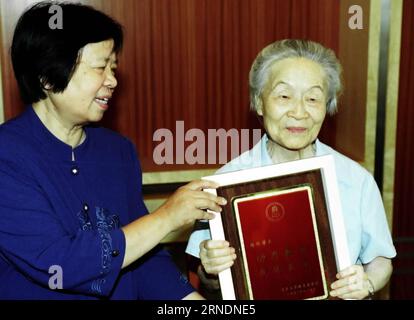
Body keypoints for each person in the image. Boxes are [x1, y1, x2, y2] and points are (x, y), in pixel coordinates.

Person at [0, 1, 227, 300]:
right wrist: (167, 218)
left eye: (113, 68)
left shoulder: (117, 151)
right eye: (99, 67)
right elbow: (59, 263)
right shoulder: (8, 155)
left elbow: (143, 260)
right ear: (47, 77)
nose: (113, 80)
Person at [186, 39, 396, 300]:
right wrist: (210, 267)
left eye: (312, 98)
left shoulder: (357, 179)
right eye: (284, 96)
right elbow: (209, 281)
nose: (299, 112)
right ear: (259, 102)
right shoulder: (224, 183)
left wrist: (367, 283)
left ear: (327, 107)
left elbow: (381, 260)